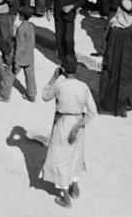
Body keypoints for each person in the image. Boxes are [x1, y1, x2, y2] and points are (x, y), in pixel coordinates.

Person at [40, 57, 98, 209]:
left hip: (63, 124)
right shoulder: (83, 87)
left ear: (63, 70)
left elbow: (45, 96)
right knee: (76, 155)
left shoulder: (60, 85)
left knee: (60, 159)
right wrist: (78, 125)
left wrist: (53, 77)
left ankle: (66, 199)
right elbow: (93, 112)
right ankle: (75, 187)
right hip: (78, 125)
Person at [98, 0, 132, 116]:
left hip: (117, 62)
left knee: (113, 80)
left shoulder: (114, 24)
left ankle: (113, 105)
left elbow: (107, 43)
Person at [52, 0, 83, 65]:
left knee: (68, 38)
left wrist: (72, 6)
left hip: (69, 16)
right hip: (58, 15)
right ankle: (62, 59)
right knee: (59, 37)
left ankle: (70, 56)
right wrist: (48, 8)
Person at [12, 5, 37, 101]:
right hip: (30, 56)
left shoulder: (21, 28)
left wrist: (15, 60)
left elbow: (20, 45)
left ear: (21, 16)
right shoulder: (31, 26)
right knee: (30, 77)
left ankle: (4, 92)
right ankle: (31, 95)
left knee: (10, 74)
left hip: (21, 58)